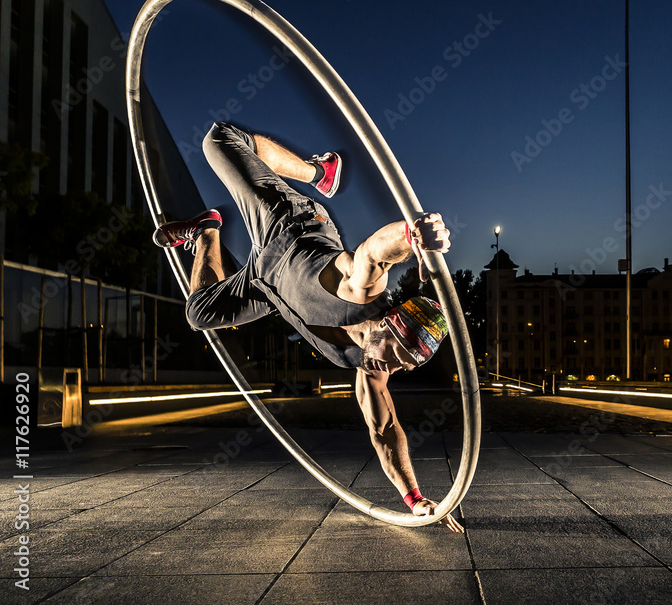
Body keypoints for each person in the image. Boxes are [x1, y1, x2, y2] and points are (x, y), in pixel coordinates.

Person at [153, 121, 462, 532]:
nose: (394, 369)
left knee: (199, 314)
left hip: (267, 287)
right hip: (288, 228)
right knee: (218, 141)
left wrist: (415, 500)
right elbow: (375, 252)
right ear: (392, 323)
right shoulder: (362, 291)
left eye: (405, 368)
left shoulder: (370, 372)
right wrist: (414, 235)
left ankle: (207, 229)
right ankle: (321, 172)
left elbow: (385, 432)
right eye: (399, 356)